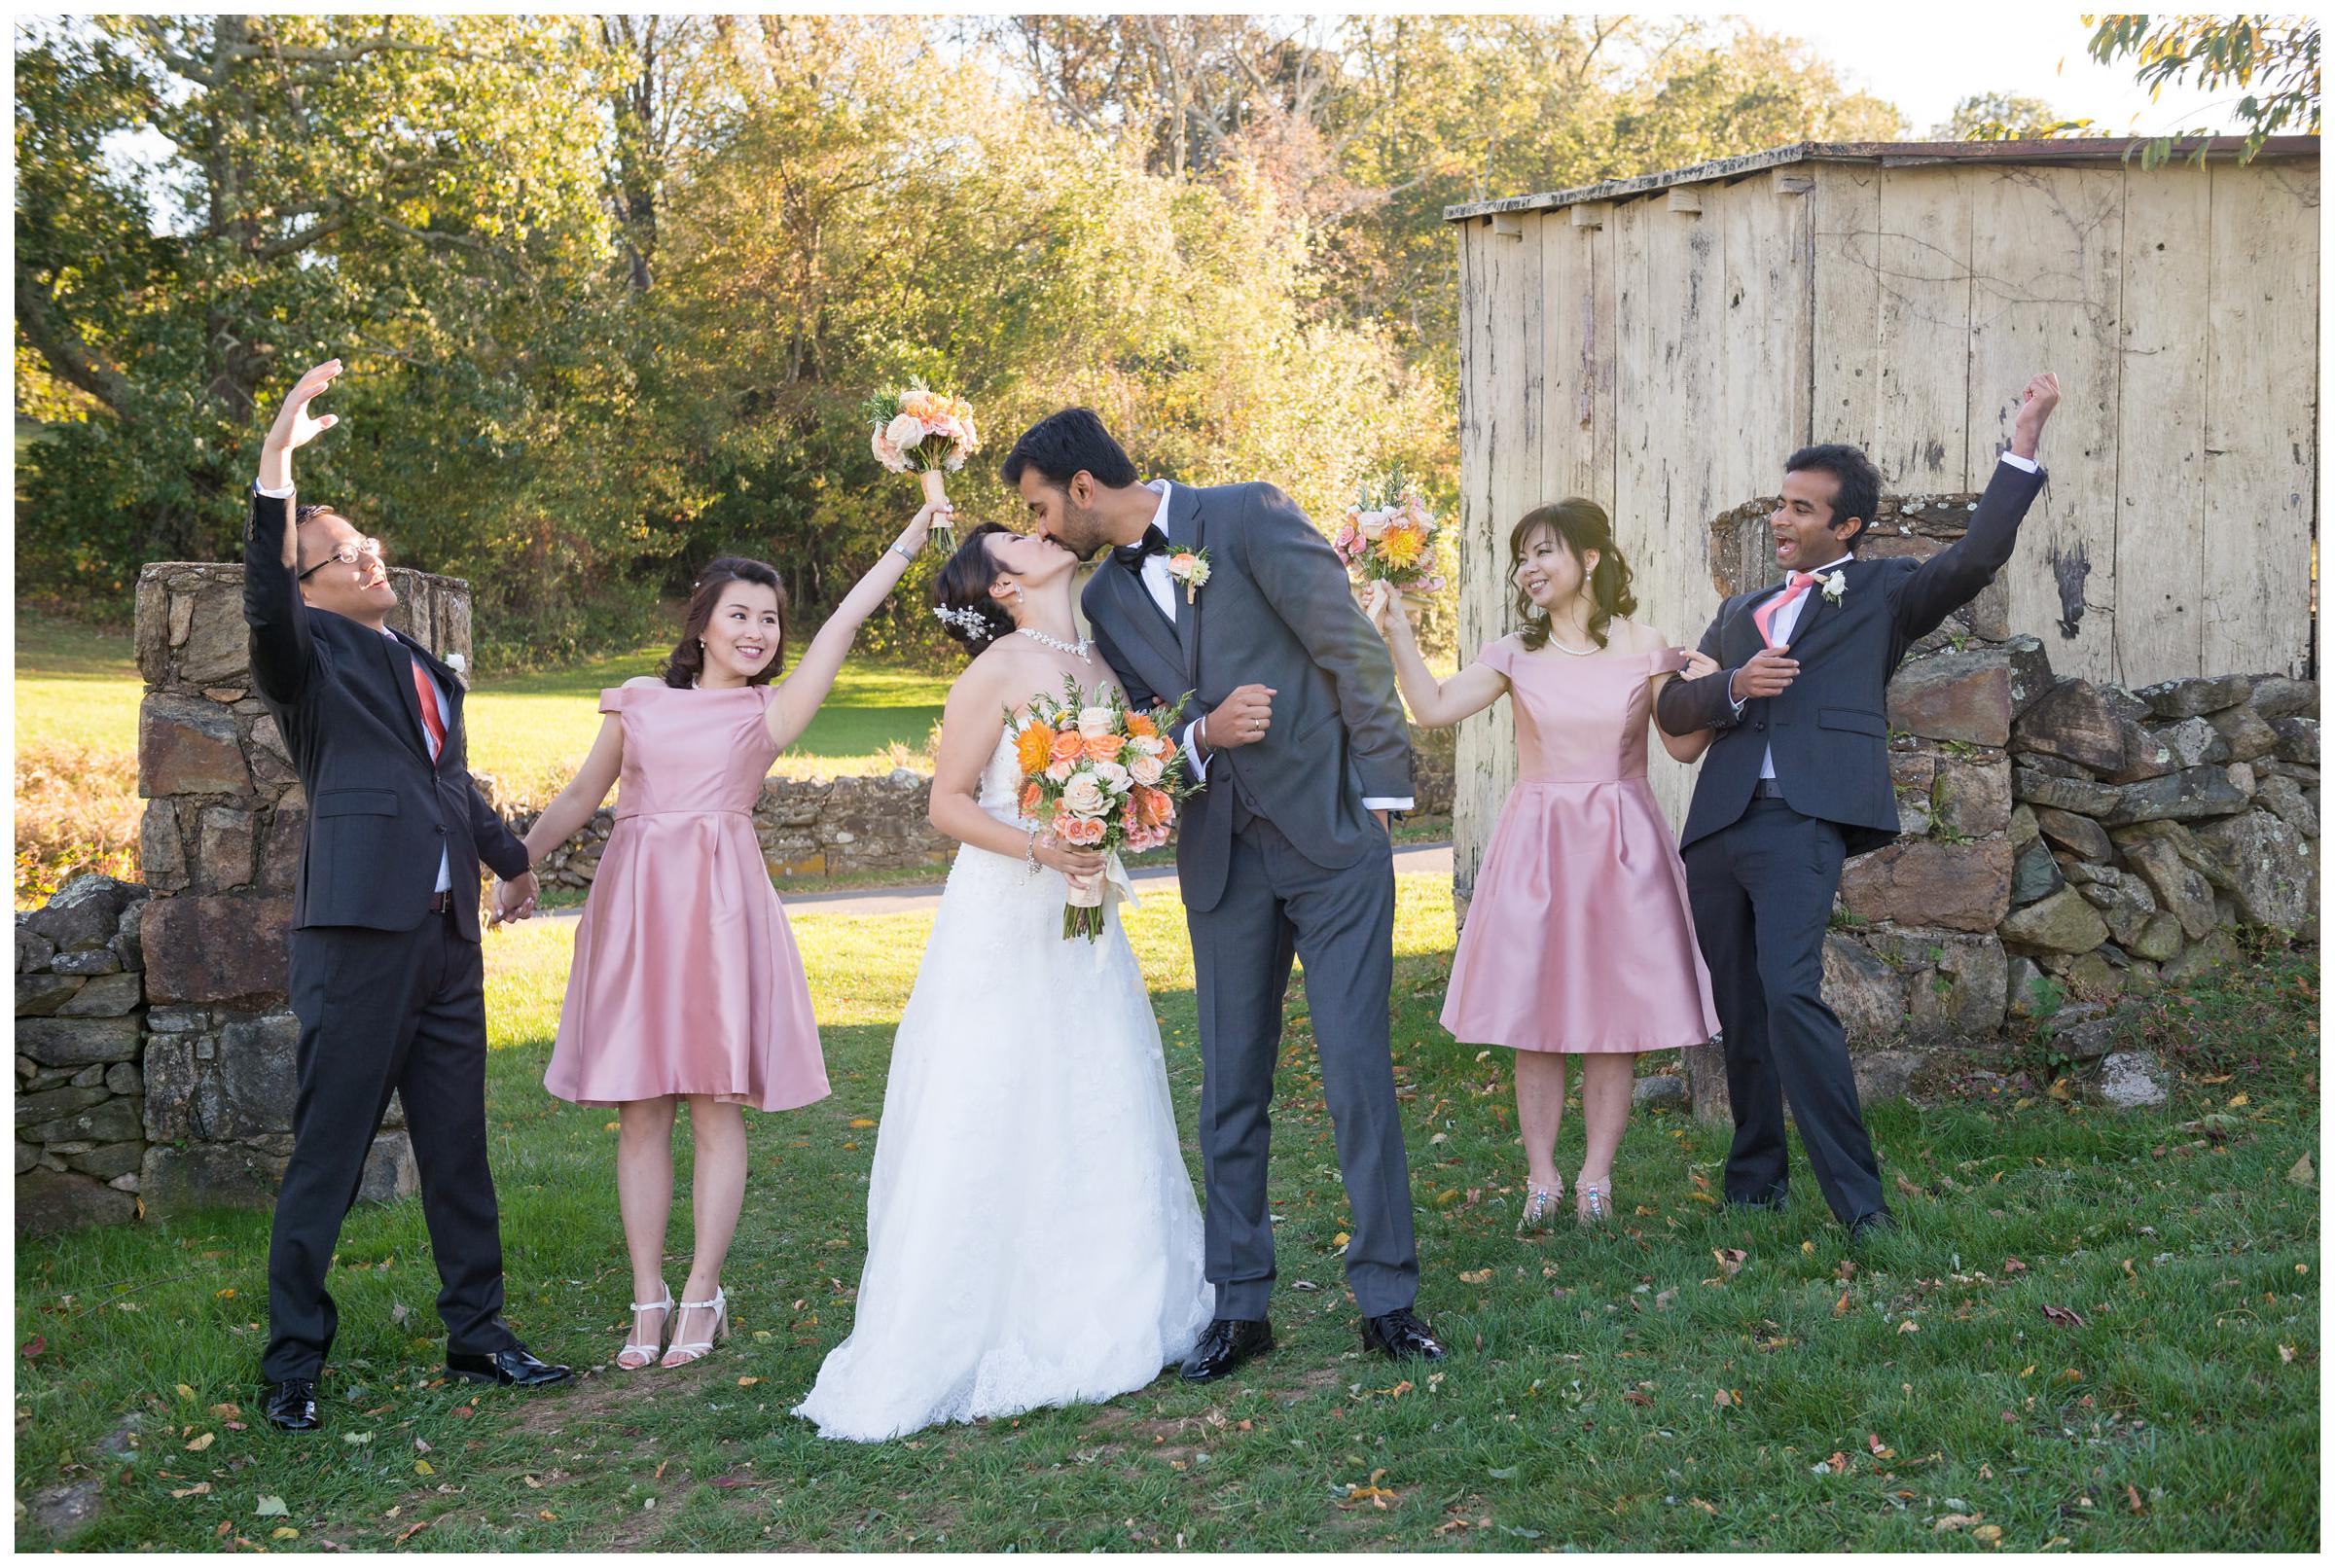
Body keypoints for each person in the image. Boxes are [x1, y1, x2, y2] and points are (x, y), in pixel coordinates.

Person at [1006, 409, 1442, 1381]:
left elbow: (1349, 650)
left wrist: (1378, 797)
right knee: (1229, 1090)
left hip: (1331, 840)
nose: (1039, 530)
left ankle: (1387, 1300)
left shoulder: (1246, 517)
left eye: (1040, 507)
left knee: (1355, 1072)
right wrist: (1203, 738)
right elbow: (1146, 733)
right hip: (1222, 861)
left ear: (1083, 488)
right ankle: (1240, 1306)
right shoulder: (1106, 600)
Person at [793, 521, 1211, 1441]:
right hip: (1003, 908)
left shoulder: (1101, 665)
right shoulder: (997, 671)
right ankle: (975, 1320)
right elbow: (946, 802)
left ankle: (1104, 1296)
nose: (1039, 530)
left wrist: (1123, 816)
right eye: (1014, 538)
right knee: (996, 1092)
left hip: (1083, 908)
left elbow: (1121, 777)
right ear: (1004, 588)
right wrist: (1042, 845)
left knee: (1092, 1083)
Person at [521, 501, 948, 1371]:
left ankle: (703, 1295)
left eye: (769, 618)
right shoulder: (637, 703)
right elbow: (576, 801)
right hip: (637, 914)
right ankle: (647, 1298)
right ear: (704, 624)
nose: (758, 631)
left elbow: (847, 618)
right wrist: (513, 863)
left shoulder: (768, 714)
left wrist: (914, 530)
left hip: (720, 918)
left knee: (715, 1103)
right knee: (640, 1109)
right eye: (741, 615)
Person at [1654, 373, 2061, 1235]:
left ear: (1846, 526)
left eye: (1802, 508)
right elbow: (1675, 714)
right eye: (1780, 503)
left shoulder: (1883, 595)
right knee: (1740, 1010)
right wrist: (1732, 683)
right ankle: (1754, 1182)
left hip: (1801, 821)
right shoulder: (1740, 610)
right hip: (1718, 828)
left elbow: (1976, 557)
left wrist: (2020, 447)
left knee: (1791, 993)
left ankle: (1859, 1205)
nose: (1781, 519)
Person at [243, 357, 569, 1434]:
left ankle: (479, 1332)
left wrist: (510, 856)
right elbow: (261, 594)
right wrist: (277, 468)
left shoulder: (431, 668)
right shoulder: (304, 659)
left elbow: (447, 783)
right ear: (308, 585)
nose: (367, 555)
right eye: (340, 552)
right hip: (355, 944)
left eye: (367, 542)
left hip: (444, 945)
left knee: (458, 1148)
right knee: (330, 1156)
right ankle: (293, 1360)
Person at [1364, 500, 1721, 1229]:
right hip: (1540, 844)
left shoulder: (1644, 644)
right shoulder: (1512, 654)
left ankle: (1596, 1179)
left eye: (1545, 552)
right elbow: (1430, 708)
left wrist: (1713, 691)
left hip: (1623, 845)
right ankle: (1541, 1178)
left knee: (1611, 1018)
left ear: (1590, 558)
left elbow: (1682, 748)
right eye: (1521, 557)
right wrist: (1399, 630)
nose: (1529, 568)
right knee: (1538, 1016)